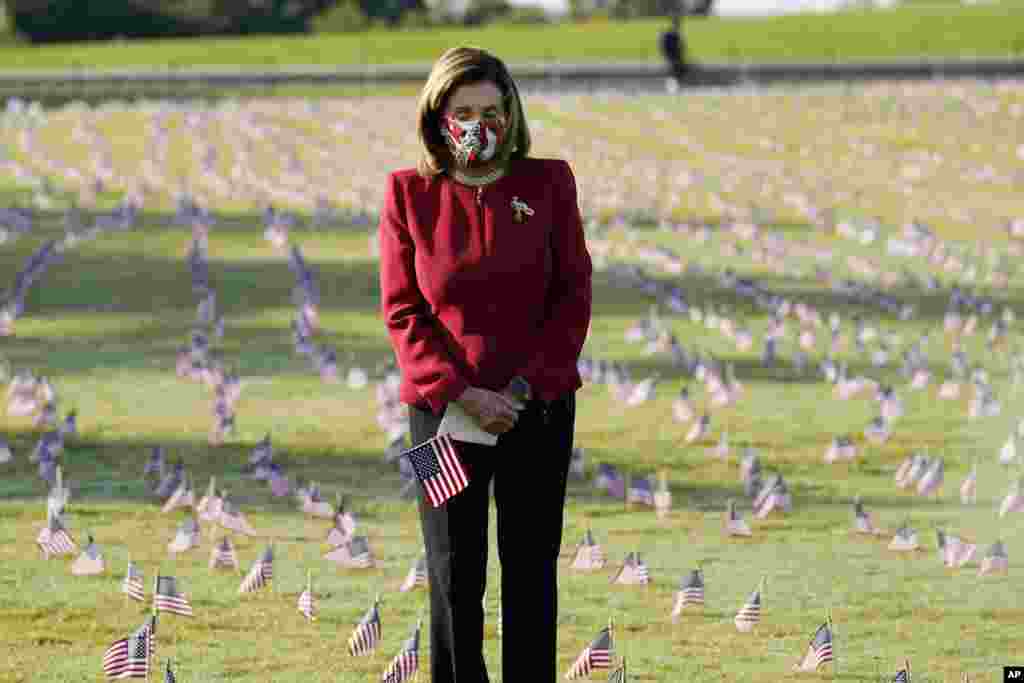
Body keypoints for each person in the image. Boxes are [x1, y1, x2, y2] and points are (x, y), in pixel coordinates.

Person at [378, 46, 593, 683]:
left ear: (511, 114)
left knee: (530, 569)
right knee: (451, 570)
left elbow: (572, 292)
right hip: (440, 417)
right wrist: (465, 394)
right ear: (438, 117)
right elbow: (402, 309)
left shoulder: (549, 182)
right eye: (464, 111)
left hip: (539, 411)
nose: (480, 125)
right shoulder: (408, 193)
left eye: (492, 111)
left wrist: (520, 389)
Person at [659, 7, 689, 91]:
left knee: (679, 69)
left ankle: (676, 85)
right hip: (673, 57)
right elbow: (679, 46)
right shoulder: (671, 34)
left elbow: (681, 46)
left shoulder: (673, 33)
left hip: (674, 57)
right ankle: (674, 86)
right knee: (676, 69)